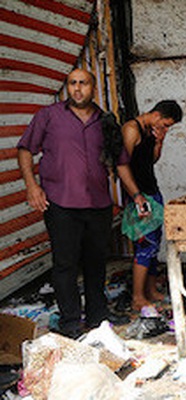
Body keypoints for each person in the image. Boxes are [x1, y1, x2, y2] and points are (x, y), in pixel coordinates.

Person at [17, 69, 145, 338]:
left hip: (98, 204)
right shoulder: (49, 116)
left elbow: (121, 162)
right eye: (72, 84)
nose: (77, 89)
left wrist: (136, 195)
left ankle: (98, 315)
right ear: (68, 88)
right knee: (65, 264)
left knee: (96, 262)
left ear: (93, 88)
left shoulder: (106, 121)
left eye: (83, 83)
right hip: (60, 203)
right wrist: (32, 186)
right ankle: (71, 322)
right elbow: (25, 149)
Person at [121, 100, 183, 311]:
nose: (165, 128)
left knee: (154, 243)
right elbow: (123, 166)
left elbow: (151, 161)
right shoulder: (131, 129)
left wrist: (160, 142)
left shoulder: (151, 132)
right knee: (145, 245)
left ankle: (150, 290)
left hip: (152, 192)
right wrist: (136, 196)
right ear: (156, 115)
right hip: (140, 195)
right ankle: (137, 297)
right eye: (165, 124)